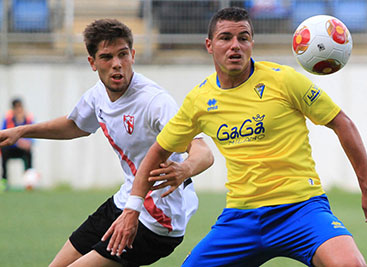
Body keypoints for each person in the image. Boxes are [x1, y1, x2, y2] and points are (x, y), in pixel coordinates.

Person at [103, 7, 367, 267]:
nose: (235, 46)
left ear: (252, 44)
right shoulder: (200, 100)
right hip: (241, 219)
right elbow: (157, 152)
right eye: (225, 38)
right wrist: (132, 209)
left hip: (301, 210)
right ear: (209, 45)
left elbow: (342, 123)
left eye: (243, 38)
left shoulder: (283, 79)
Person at [0, 19, 214, 267]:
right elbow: (74, 125)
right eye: (106, 57)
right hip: (125, 200)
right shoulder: (97, 96)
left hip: (158, 218)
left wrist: (185, 169)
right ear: (92, 63)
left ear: (133, 55)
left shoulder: (154, 102)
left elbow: (203, 151)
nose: (116, 64)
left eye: (123, 54)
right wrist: (22, 131)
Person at [1, 98, 34, 191]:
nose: (19, 109)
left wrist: (28, 142)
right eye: (17, 107)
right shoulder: (8, 120)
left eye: (20, 107)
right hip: (10, 148)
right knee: (4, 152)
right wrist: (18, 143)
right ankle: (4, 181)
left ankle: (29, 182)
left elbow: (35, 134)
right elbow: (3, 135)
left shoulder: (28, 119)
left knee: (29, 153)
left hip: (23, 150)